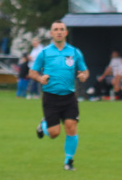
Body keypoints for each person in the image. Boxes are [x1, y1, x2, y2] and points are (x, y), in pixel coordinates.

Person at [30, 21, 89, 171]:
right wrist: (40, 78)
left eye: (61, 29)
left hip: (69, 97)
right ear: (51, 33)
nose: (59, 32)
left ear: (66, 33)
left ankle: (68, 162)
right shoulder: (45, 52)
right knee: (54, 133)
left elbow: (85, 71)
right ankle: (43, 126)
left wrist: (83, 75)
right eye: (55, 29)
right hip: (50, 97)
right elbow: (32, 72)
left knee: (71, 127)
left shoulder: (75, 52)